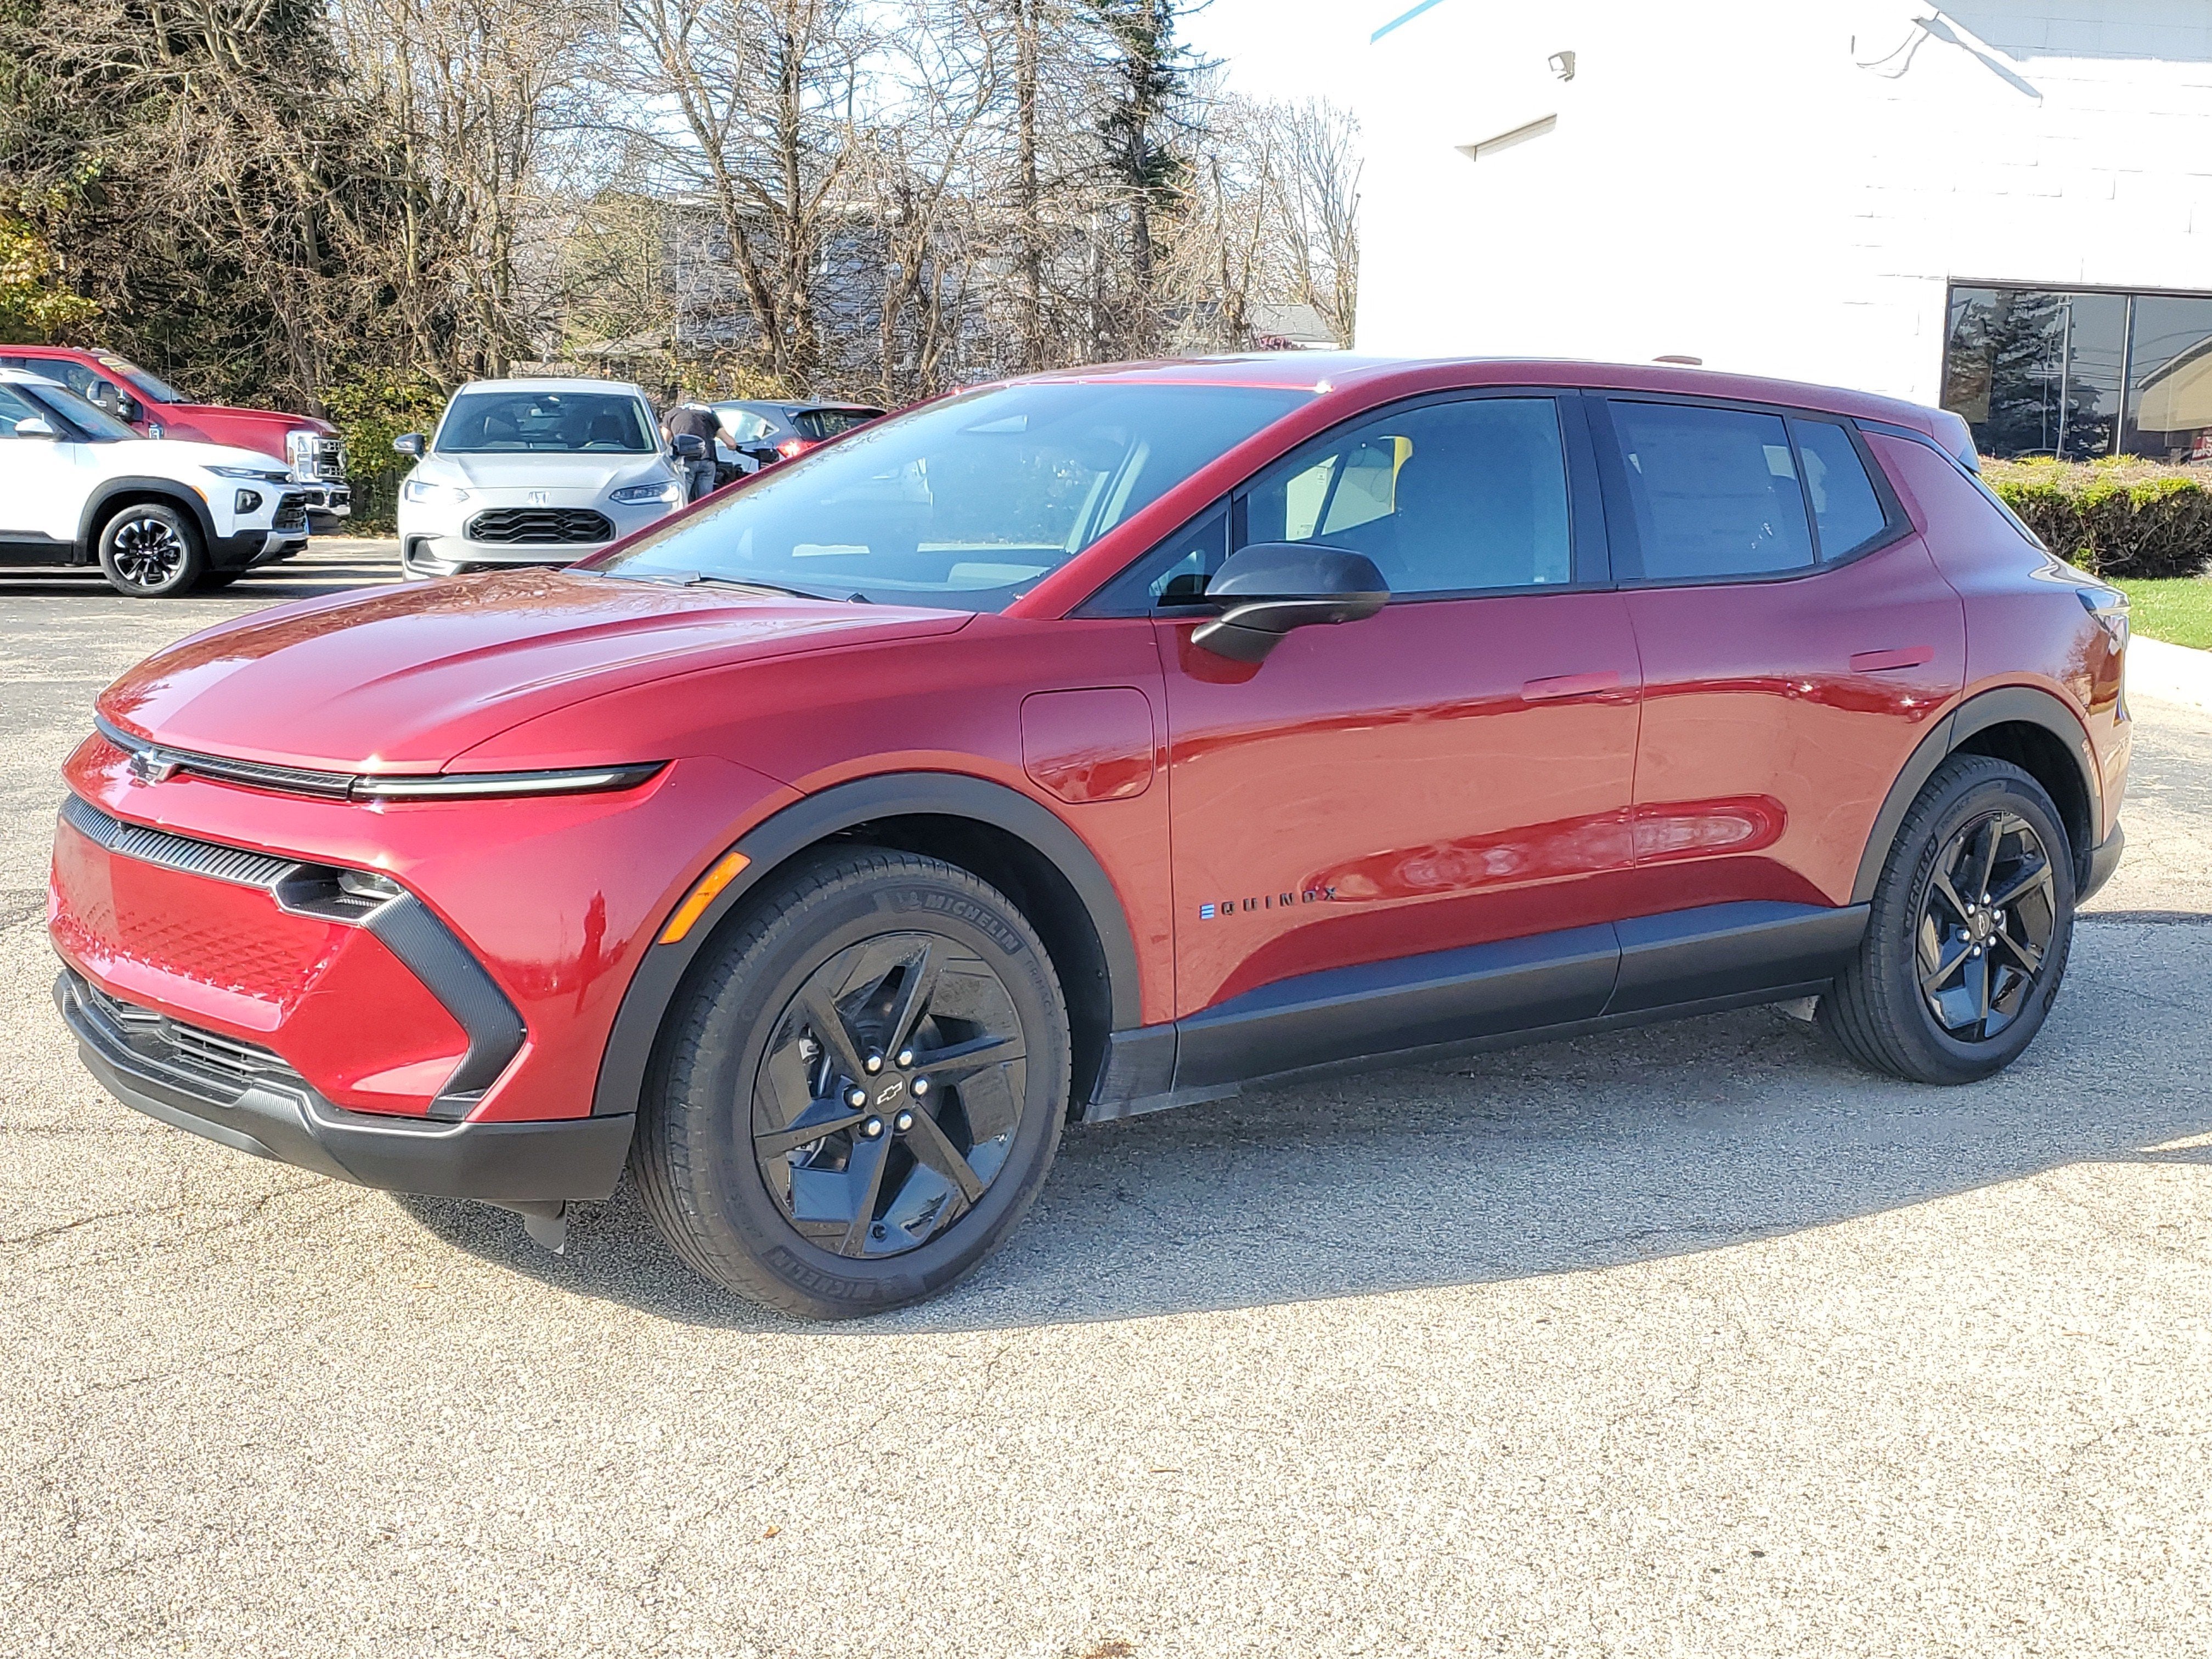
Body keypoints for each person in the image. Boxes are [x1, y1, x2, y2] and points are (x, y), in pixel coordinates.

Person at [664, 400, 722, 501]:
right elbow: (731, 443)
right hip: (707, 460)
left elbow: (664, 442)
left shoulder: (672, 414)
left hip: (685, 461)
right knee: (705, 502)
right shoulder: (709, 414)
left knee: (682, 501)